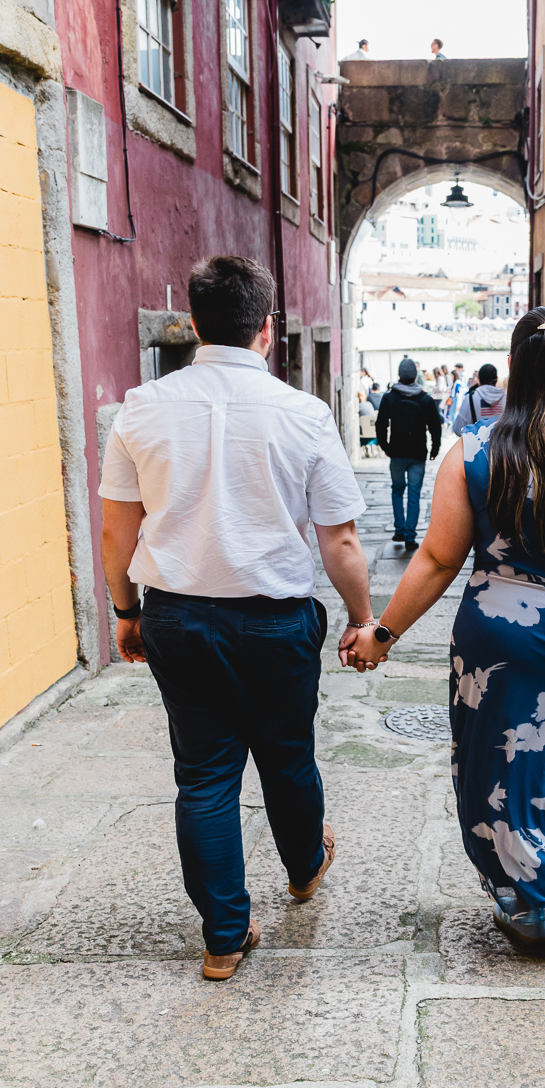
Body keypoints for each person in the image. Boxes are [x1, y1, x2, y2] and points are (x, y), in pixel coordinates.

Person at [345, 307, 545, 950]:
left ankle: (523, 902)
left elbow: (438, 558)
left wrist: (383, 634)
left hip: (501, 637)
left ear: (515, 368)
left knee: (502, 765)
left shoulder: (478, 449)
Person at [99, 256, 373, 981]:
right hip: (276, 622)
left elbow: (115, 534)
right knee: (288, 755)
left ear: (192, 324)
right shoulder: (303, 414)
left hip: (179, 619)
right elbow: (340, 539)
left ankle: (224, 937)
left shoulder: (142, 406)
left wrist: (126, 612)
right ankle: (306, 866)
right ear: (267, 329)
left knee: (205, 775)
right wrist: (362, 617)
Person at [375, 356, 442, 551]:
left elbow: (381, 424)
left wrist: (385, 446)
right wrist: (435, 448)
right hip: (418, 453)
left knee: (397, 490)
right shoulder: (425, 399)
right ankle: (410, 537)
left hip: (396, 452)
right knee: (414, 494)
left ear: (399, 375)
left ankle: (399, 530)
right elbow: (435, 426)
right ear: (415, 376)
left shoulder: (389, 398)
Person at [452, 362, 505, 435]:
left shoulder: (470, 398)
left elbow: (458, 429)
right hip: (501, 444)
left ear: (479, 380)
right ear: (496, 379)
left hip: (477, 445)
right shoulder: (506, 398)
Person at [444, 361, 467, 428]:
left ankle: (454, 429)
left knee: (454, 414)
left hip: (457, 399)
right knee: (452, 414)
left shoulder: (459, 380)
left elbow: (459, 393)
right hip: (456, 398)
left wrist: (458, 404)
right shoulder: (457, 381)